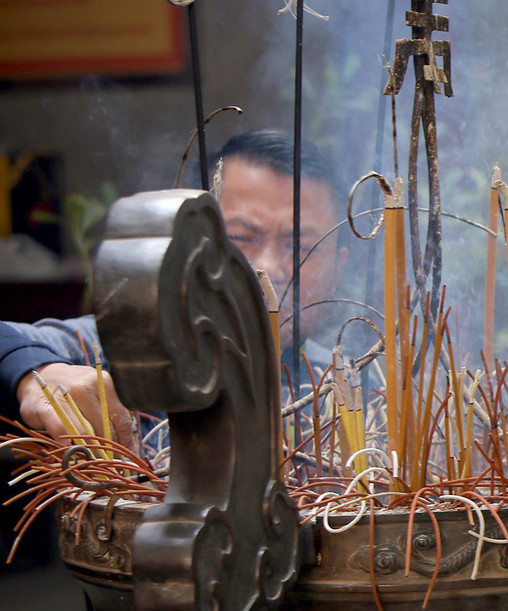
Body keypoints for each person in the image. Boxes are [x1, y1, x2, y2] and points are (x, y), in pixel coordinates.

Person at [0, 130, 351, 444]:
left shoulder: (355, 387)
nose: (268, 268)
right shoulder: (124, 350)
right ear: (190, 244)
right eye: (241, 237)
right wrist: (38, 373)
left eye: (301, 247)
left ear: (338, 266)